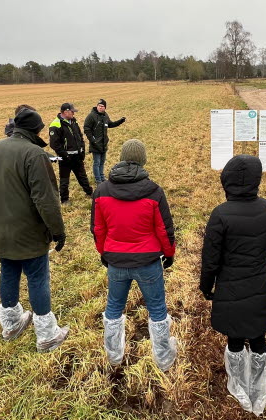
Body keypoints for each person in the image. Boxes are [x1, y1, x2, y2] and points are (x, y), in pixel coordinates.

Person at [0, 108, 69, 353]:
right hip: (27, 231)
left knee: (8, 271)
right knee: (38, 278)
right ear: (36, 129)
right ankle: (47, 335)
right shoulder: (35, 154)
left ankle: (11, 324)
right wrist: (57, 231)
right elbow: (46, 200)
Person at [200, 155, 266, 416]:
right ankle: (258, 388)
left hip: (229, 284)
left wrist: (207, 285)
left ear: (227, 181)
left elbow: (211, 257)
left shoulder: (221, 214)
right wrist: (260, 272)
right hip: (258, 280)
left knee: (234, 336)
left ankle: (238, 385)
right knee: (258, 335)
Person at [90, 139, 177, 371]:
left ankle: (114, 355)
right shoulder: (154, 191)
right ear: (143, 160)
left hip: (116, 261)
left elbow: (98, 228)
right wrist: (169, 254)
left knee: (113, 307)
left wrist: (104, 252)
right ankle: (164, 358)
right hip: (148, 261)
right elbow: (164, 229)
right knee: (157, 308)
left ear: (121, 158)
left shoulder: (101, 190)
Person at [49, 103, 93, 204]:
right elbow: (54, 144)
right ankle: (64, 199)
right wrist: (65, 155)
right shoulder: (55, 124)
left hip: (77, 156)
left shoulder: (73, 121)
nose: (74, 113)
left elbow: (80, 137)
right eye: (72, 111)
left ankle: (89, 193)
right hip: (65, 158)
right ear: (65, 112)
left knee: (82, 176)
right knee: (64, 180)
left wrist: (82, 151)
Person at [83, 99, 126, 184]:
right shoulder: (91, 116)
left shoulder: (105, 115)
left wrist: (120, 121)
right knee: (97, 163)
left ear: (105, 108)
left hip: (103, 144)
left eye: (102, 106)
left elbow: (110, 124)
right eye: (99, 106)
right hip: (95, 144)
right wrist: (93, 140)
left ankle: (102, 177)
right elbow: (86, 129)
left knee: (102, 162)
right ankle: (98, 180)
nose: (100, 107)